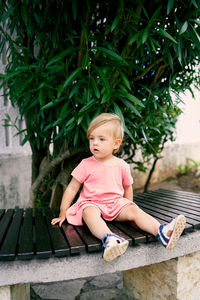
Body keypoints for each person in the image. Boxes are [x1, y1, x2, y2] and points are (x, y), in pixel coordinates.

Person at [51, 113, 186, 262]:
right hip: (92, 202)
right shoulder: (86, 164)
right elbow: (72, 188)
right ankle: (109, 239)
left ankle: (162, 232)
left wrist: (129, 208)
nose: (95, 143)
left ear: (115, 144)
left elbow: (128, 188)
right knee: (89, 213)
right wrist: (63, 212)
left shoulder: (122, 165)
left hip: (116, 203)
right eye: (92, 138)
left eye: (101, 139)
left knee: (135, 210)